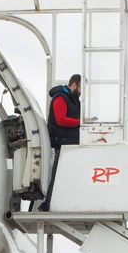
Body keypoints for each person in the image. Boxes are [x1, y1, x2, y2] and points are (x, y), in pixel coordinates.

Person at [39, 74, 83, 210]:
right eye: (80, 87)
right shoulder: (60, 98)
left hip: (72, 143)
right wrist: (82, 123)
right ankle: (47, 205)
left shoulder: (74, 101)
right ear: (74, 85)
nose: (81, 92)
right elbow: (61, 120)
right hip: (63, 143)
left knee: (68, 176)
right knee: (58, 175)